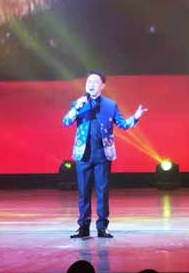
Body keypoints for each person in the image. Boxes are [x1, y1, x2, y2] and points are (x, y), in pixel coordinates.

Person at [63, 71, 148, 239]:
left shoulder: (110, 105)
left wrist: (136, 117)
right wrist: (77, 108)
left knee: (102, 192)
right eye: (89, 81)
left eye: (95, 82)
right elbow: (66, 122)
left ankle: (102, 227)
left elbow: (123, 125)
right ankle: (83, 227)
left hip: (103, 155)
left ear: (102, 86)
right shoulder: (78, 103)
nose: (91, 84)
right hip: (83, 155)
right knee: (83, 192)